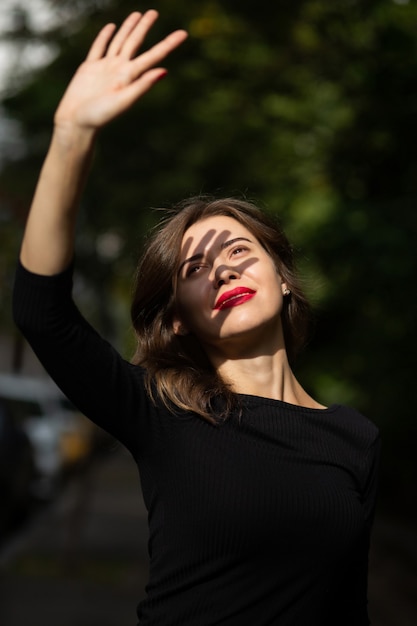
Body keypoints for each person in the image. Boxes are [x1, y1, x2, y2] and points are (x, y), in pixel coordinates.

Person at [12, 9, 380, 626]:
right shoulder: (164, 413)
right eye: (196, 269)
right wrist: (72, 134)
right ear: (178, 319)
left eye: (239, 252)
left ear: (283, 279)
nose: (225, 271)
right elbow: (40, 312)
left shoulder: (355, 438)